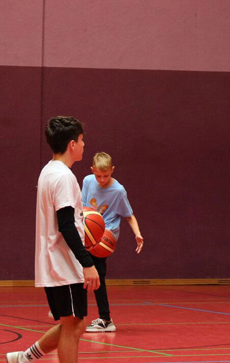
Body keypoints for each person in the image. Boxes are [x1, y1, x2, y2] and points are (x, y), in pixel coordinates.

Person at [5, 116, 100, 363]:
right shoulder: (64, 177)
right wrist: (87, 262)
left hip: (55, 262)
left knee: (75, 325)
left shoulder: (48, 171)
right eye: (81, 140)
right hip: (64, 264)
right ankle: (25, 357)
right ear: (71, 144)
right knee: (73, 327)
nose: (83, 145)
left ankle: (25, 358)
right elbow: (67, 225)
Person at [82, 152, 144, 332]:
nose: (101, 180)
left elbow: (129, 215)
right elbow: (82, 206)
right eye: (98, 175)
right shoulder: (87, 181)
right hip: (88, 230)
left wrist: (137, 234)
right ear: (92, 170)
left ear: (112, 171)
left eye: (106, 176)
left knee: (97, 275)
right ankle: (84, 316)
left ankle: (105, 319)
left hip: (106, 235)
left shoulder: (118, 191)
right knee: (82, 273)